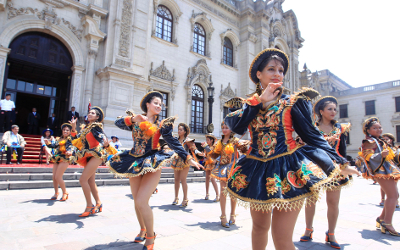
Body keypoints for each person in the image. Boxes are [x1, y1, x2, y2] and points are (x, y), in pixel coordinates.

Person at [223, 48, 358, 250]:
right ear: (258, 75)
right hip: (256, 170)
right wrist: (259, 101)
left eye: (281, 70)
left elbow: (312, 136)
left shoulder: (294, 102)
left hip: (288, 170)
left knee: (282, 238)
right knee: (259, 228)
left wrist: (339, 162)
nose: (278, 73)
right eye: (271, 69)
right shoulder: (249, 104)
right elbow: (234, 125)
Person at [107, 91, 203, 250]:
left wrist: (188, 158)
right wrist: (132, 119)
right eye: (156, 103)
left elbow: (173, 142)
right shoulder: (137, 120)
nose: (159, 106)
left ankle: (151, 236)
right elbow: (117, 122)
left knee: (141, 201)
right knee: (137, 203)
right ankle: (143, 229)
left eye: (161, 104)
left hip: (152, 162)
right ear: (148, 104)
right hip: (133, 160)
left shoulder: (162, 125)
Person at [300, 96, 352, 248]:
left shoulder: (340, 129)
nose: (334, 111)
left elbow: (342, 150)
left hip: (334, 168)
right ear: (321, 111)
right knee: (310, 200)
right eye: (330, 109)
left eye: (335, 109)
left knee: (333, 202)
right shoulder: (312, 128)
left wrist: (344, 167)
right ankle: (308, 229)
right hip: (314, 167)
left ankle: (331, 233)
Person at [356, 118, 400, 236]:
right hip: (380, 170)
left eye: (380, 127)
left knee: (395, 195)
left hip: (387, 169)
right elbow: (367, 156)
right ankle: (387, 223)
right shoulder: (369, 141)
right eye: (375, 128)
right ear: (368, 130)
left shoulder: (379, 140)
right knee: (392, 196)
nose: (378, 129)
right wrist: (380, 154)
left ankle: (382, 218)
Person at [70, 107, 117, 217]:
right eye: (89, 112)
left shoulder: (96, 126)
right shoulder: (87, 127)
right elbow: (76, 142)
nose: (90, 114)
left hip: (96, 155)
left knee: (82, 180)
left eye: (93, 113)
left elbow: (101, 137)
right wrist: (73, 127)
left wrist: (106, 144)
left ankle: (90, 206)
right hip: (88, 155)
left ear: (97, 117)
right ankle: (98, 203)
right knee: (90, 181)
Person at [206, 122, 249, 228]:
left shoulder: (235, 141)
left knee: (233, 192)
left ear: (231, 129)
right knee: (223, 192)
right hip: (222, 169)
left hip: (233, 168)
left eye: (227, 128)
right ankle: (223, 215)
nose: (224, 129)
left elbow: (244, 151)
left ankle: (232, 215)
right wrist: (207, 148)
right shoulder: (220, 142)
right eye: (223, 127)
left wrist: (244, 146)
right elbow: (215, 155)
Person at [169, 123, 198, 207]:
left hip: (185, 161)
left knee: (183, 180)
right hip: (176, 161)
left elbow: (194, 149)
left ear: (185, 131)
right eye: (178, 129)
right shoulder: (176, 140)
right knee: (176, 180)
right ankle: (176, 197)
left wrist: (200, 153)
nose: (179, 131)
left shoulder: (188, 140)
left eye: (181, 130)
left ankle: (185, 199)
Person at [44, 124, 75, 201]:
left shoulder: (70, 139)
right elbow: (54, 146)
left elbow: (72, 146)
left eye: (67, 130)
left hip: (65, 158)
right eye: (64, 130)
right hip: (57, 157)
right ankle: (56, 193)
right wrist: (48, 143)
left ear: (70, 131)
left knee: (58, 176)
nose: (65, 131)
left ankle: (65, 192)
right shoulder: (60, 139)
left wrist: (69, 151)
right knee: (54, 177)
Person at [379, 133, 399, 208]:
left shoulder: (395, 149)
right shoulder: (381, 148)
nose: (385, 141)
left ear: (391, 140)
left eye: (387, 139)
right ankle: (383, 199)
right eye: (383, 139)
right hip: (384, 168)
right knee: (383, 185)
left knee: (394, 184)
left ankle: (395, 200)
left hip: (394, 169)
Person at [200, 133, 220, 201]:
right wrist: (205, 158)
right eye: (206, 140)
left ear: (212, 140)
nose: (207, 141)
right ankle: (207, 194)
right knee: (207, 179)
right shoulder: (206, 148)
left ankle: (217, 195)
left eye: (208, 140)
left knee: (212, 179)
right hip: (207, 164)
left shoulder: (215, 147)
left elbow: (216, 155)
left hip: (213, 164)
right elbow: (205, 156)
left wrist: (215, 161)